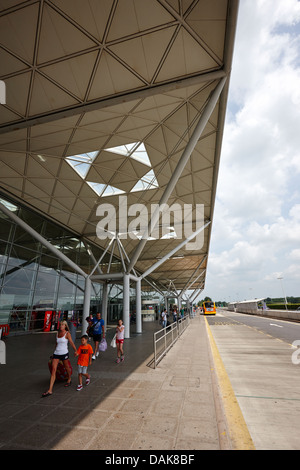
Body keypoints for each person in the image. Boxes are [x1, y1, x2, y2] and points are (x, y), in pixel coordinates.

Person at [42, 320, 77, 397]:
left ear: (65, 326)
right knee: (53, 370)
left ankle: (69, 378)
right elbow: (57, 343)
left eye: (62, 325)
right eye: (60, 325)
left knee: (67, 367)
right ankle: (50, 390)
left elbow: (71, 343)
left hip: (64, 353)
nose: (61, 326)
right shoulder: (57, 333)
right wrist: (53, 354)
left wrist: (76, 351)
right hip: (56, 353)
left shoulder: (67, 334)